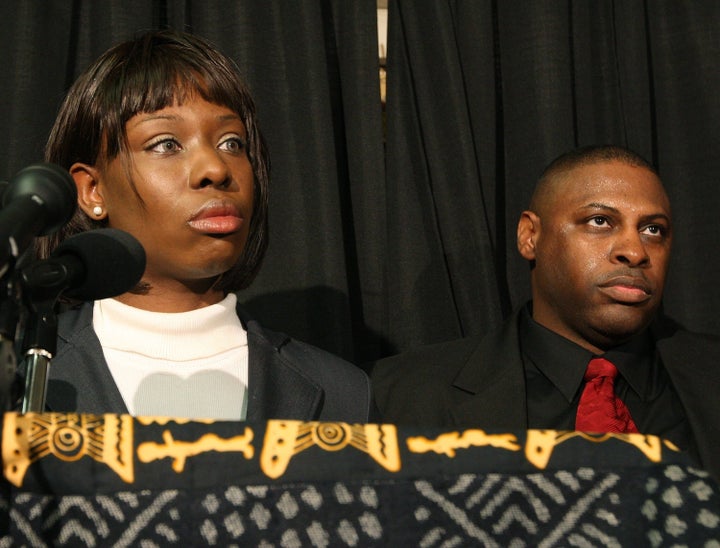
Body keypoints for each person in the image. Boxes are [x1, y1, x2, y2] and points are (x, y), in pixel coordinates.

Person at [24, 29, 375, 422]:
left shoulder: (342, 393)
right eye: (166, 144)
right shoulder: (25, 373)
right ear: (92, 190)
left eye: (232, 143)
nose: (215, 169)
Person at [372, 145, 720, 478]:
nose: (635, 251)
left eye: (652, 229)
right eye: (599, 221)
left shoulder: (706, 377)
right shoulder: (402, 395)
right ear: (530, 236)